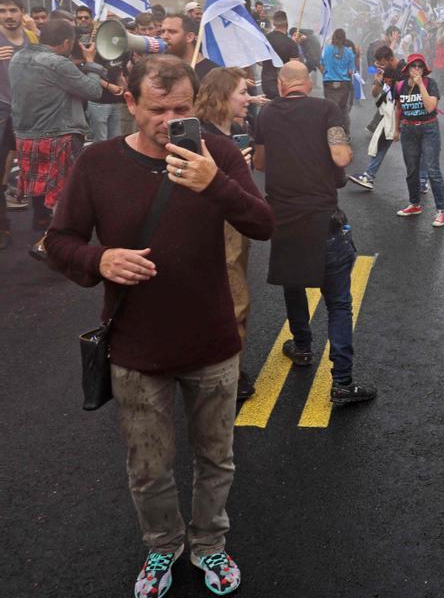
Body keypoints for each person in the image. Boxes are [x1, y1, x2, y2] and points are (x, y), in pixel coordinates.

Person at [44, 53, 273, 598]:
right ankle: (163, 546)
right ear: (129, 102)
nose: (170, 120)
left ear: (196, 102)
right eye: (156, 109)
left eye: (181, 107)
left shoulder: (215, 153)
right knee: (149, 468)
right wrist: (98, 260)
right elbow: (59, 241)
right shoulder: (98, 163)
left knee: (216, 457)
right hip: (135, 347)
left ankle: (211, 545)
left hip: (212, 341)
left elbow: (262, 225)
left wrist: (214, 183)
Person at [254, 60, 376, 404]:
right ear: (308, 84)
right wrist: (343, 151)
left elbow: (260, 163)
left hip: (284, 219)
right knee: (338, 302)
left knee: (294, 286)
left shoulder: (266, 115)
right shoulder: (327, 109)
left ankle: (303, 346)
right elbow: (340, 158)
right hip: (323, 220)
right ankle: (342, 382)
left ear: (281, 85)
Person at [10, 19, 124, 258]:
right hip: (57, 136)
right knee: (64, 193)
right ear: (66, 43)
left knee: (43, 191)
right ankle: (52, 241)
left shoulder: (17, 58)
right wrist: (91, 62)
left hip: (26, 135)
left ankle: (43, 227)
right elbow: (92, 91)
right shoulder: (56, 63)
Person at [194, 67, 258, 400]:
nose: (249, 98)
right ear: (222, 97)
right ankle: (228, 376)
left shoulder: (227, 131)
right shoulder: (206, 139)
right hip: (221, 227)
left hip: (221, 224)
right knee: (235, 302)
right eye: (243, 93)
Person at [0, 0, 39, 250]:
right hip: (2, 111)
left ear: (21, 12)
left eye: (13, 10)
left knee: (35, 165)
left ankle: (43, 222)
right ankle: (2, 226)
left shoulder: (32, 38)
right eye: (3, 11)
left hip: (29, 111)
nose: (8, 16)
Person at [393, 54, 444, 227]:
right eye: (413, 66)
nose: (416, 69)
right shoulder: (400, 85)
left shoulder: (430, 84)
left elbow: (431, 106)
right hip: (408, 130)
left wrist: (420, 85)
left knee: (432, 170)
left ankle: (441, 211)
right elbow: (398, 108)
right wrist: (396, 129)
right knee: (411, 170)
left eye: (420, 66)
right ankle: (415, 204)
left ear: (424, 70)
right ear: (407, 69)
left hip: (428, 128)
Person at [349, 46, 404, 190]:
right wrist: (378, 81)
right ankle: (369, 176)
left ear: (390, 59)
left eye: (382, 63)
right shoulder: (384, 71)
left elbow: (402, 100)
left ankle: (422, 180)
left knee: (415, 148)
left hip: (406, 113)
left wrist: (398, 127)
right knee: (382, 143)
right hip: (391, 113)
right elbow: (375, 94)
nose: (380, 66)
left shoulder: (404, 70)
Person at [161, 13, 219, 82]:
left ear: (189, 37)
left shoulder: (212, 74)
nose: (165, 36)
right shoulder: (161, 68)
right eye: (162, 32)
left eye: (172, 32)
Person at [319, 28, 355, 130]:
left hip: (328, 83)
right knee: (343, 109)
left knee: (329, 108)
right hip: (344, 84)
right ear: (344, 38)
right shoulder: (349, 52)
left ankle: (328, 131)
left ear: (333, 37)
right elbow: (350, 72)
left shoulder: (326, 49)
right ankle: (345, 132)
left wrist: (327, 74)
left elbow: (321, 66)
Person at [261, 10, 299, 100]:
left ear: (274, 23)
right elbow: (295, 66)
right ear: (287, 24)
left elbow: (259, 61)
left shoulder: (265, 39)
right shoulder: (290, 43)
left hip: (267, 82)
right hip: (284, 84)